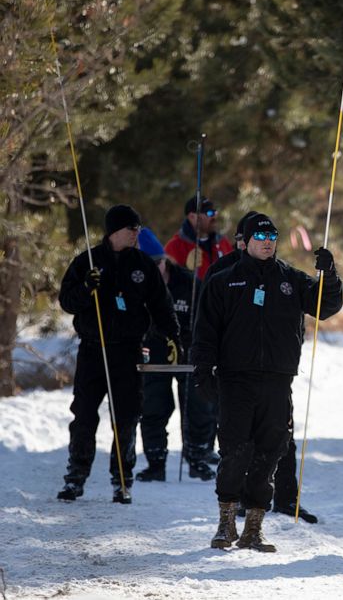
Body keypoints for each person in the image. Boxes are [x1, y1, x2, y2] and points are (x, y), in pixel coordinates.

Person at [191, 213, 342, 552]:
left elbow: (326, 305)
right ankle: (226, 522)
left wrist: (328, 275)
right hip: (235, 380)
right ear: (245, 240)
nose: (267, 241)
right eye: (260, 235)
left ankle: (254, 528)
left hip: (277, 381)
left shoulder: (290, 279)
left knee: (269, 453)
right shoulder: (223, 280)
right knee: (234, 452)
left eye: (272, 235)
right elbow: (205, 333)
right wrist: (202, 371)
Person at [57, 205, 181, 504]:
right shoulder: (87, 262)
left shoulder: (143, 265)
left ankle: (122, 481)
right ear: (115, 231)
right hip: (92, 350)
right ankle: (75, 478)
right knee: (84, 415)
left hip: (128, 352)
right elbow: (66, 302)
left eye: (138, 228)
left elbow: (160, 305)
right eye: (131, 228)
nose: (137, 233)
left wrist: (173, 336)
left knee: (126, 418)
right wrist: (87, 288)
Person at [135, 227, 217, 482]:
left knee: (198, 407)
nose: (155, 269)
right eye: (149, 264)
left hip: (189, 352)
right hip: (153, 353)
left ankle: (198, 459)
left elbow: (210, 317)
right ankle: (155, 462)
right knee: (152, 407)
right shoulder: (137, 284)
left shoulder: (190, 284)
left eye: (158, 263)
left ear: (165, 261)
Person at [164, 196, 234, 281]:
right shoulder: (175, 247)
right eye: (209, 213)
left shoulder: (222, 242)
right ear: (192, 217)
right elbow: (167, 282)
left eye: (214, 212)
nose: (213, 217)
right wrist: (186, 269)